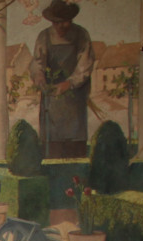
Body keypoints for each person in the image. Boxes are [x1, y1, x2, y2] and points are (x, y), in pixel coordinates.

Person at [32, 1, 95, 158]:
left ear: (71, 20)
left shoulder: (81, 35)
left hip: (75, 99)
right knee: (52, 144)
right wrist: (39, 76)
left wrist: (70, 83)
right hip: (52, 99)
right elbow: (37, 63)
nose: (62, 26)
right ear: (53, 21)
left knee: (75, 144)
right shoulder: (44, 36)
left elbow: (85, 66)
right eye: (58, 22)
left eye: (65, 22)